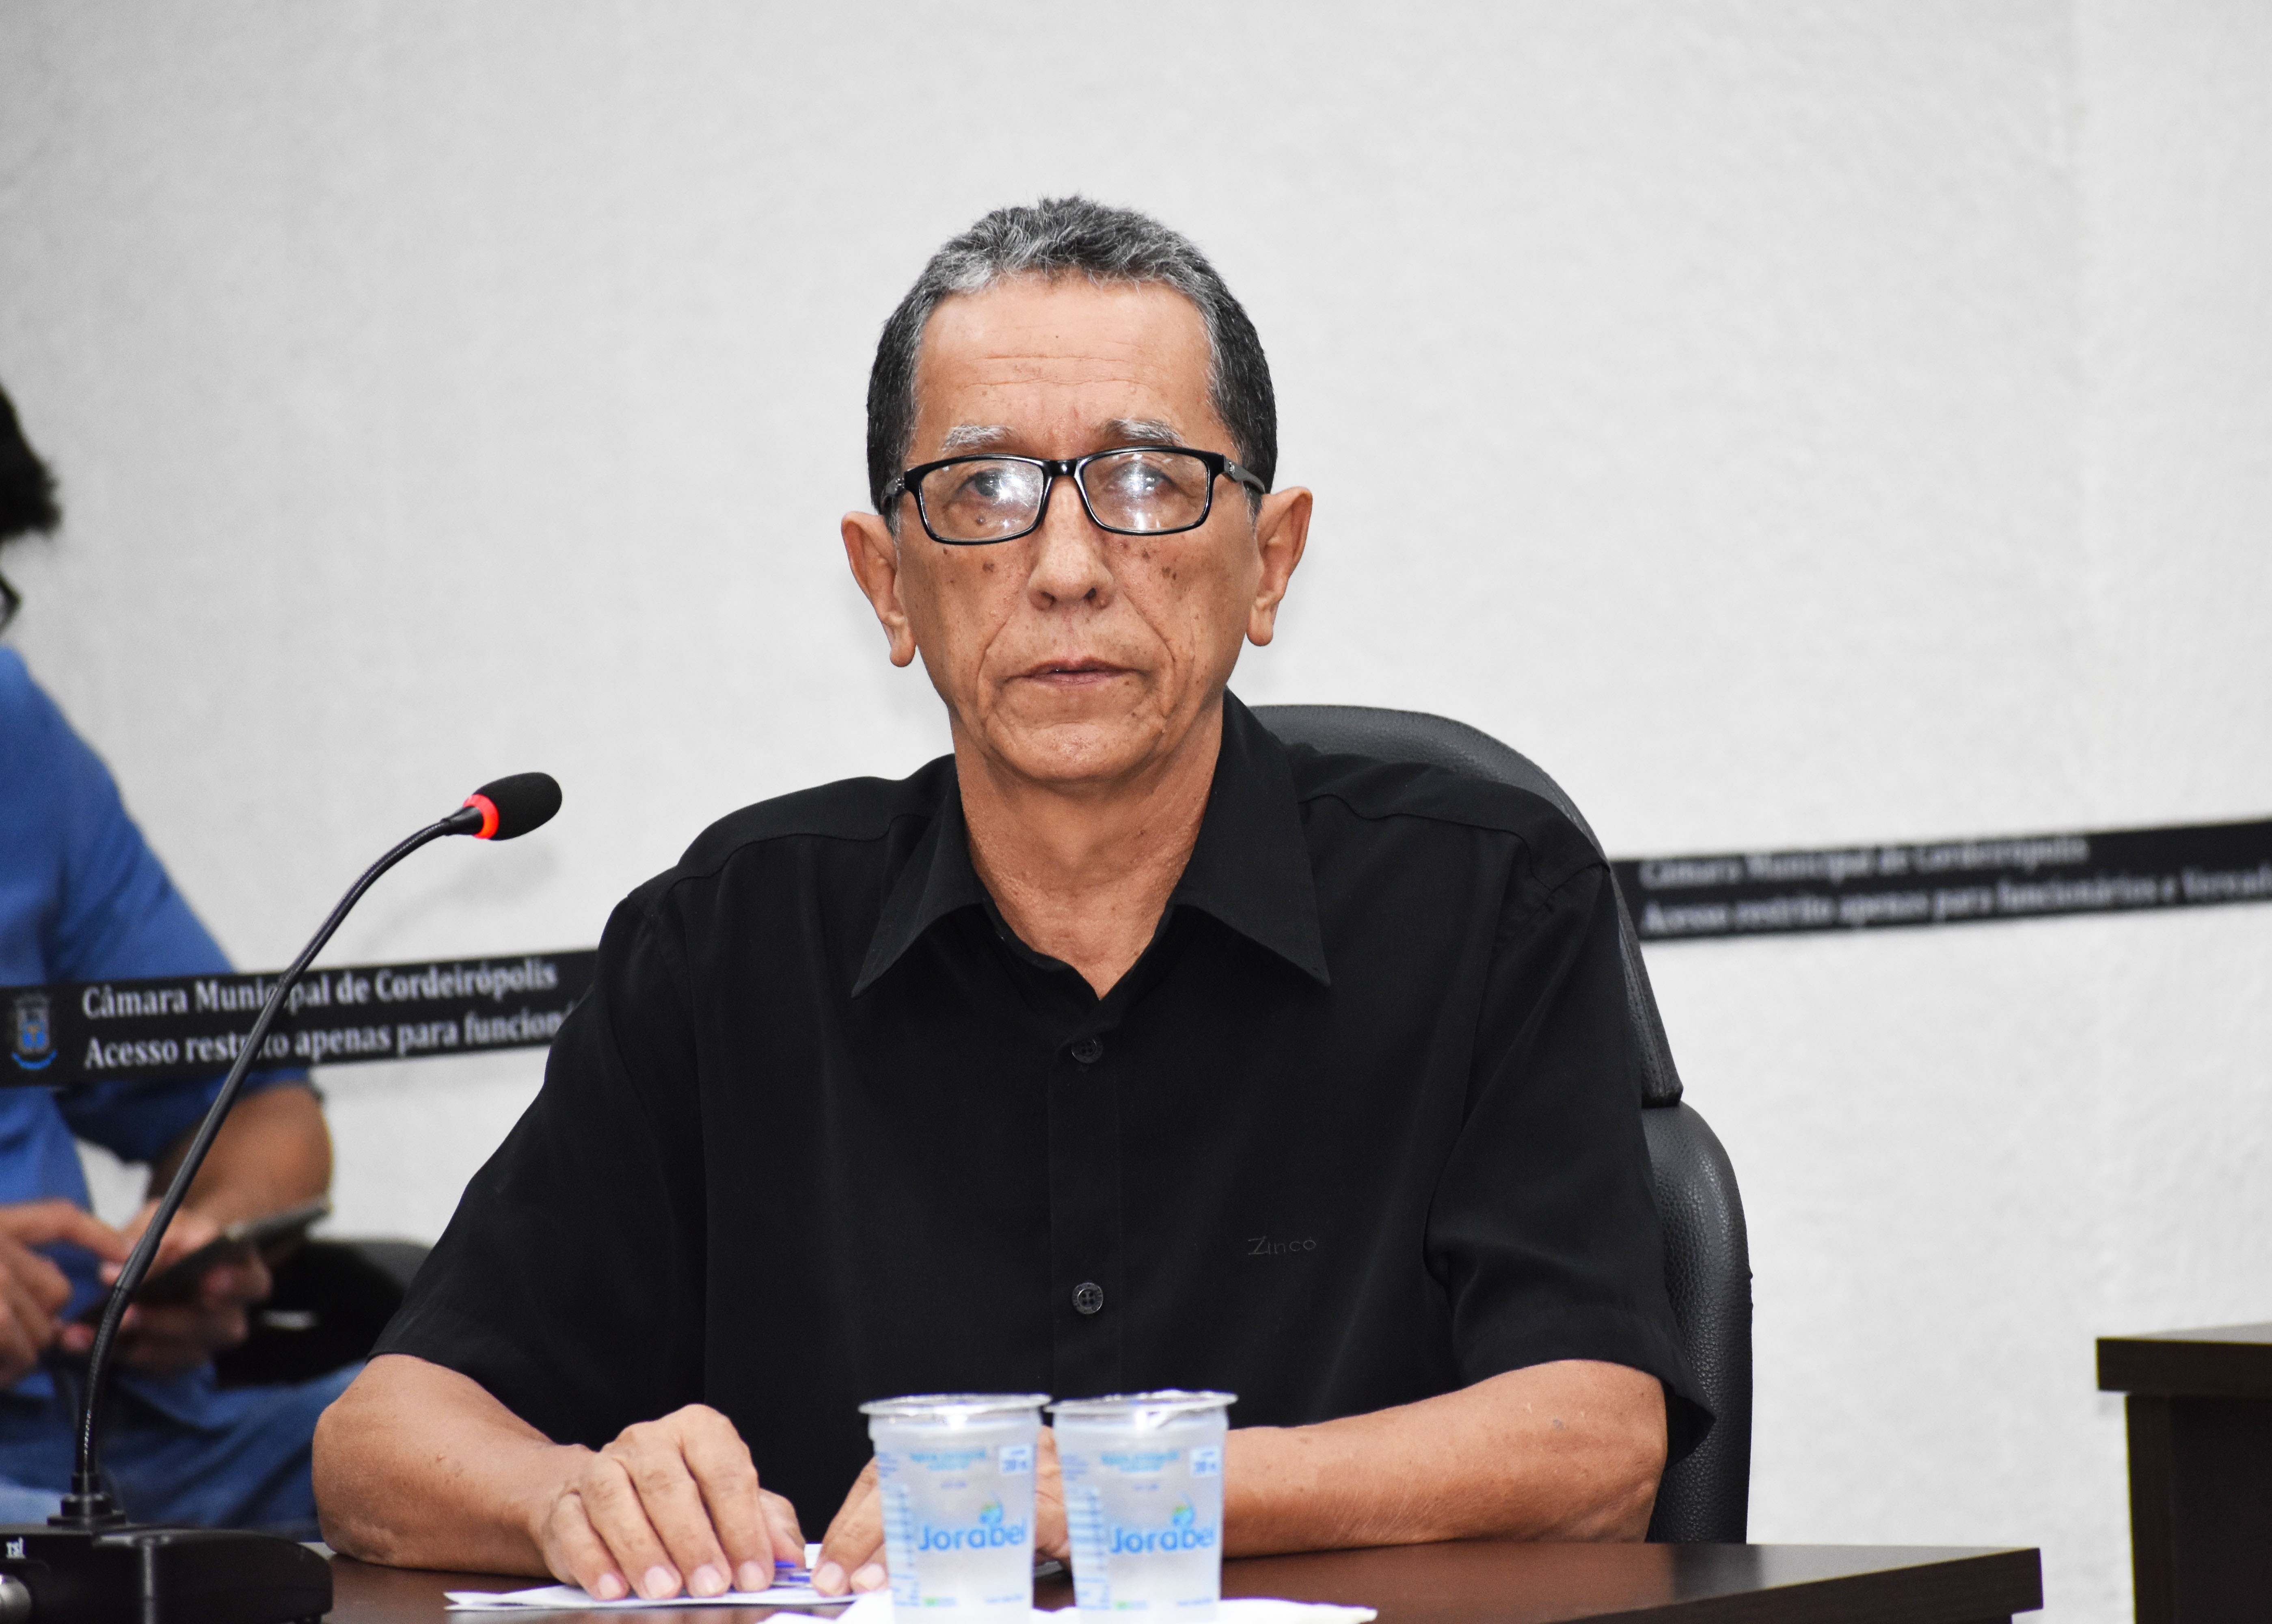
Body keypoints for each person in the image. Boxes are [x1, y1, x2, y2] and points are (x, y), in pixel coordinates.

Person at [317, 198, 1704, 1603]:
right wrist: (576, 1502)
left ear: (1270, 560)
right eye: (982, 491)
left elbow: (1593, 1445)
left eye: (1147, 482)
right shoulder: (731, 942)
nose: (1067, 569)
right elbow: (380, 1445)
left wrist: (1108, 1495)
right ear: (887, 584)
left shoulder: (1482, 901)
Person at [0, 380, 349, 1534]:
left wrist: (191, 1248)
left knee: (527, 1430)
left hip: (118, 1429)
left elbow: (261, 1112)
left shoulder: (14, 734)